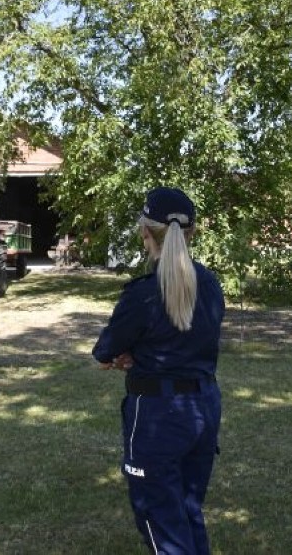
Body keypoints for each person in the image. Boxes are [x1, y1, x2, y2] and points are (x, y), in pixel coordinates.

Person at [93, 187, 225, 554]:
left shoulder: (143, 293)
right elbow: (192, 340)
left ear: (145, 233)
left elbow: (104, 353)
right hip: (203, 408)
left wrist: (129, 355)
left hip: (158, 418)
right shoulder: (211, 285)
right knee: (187, 509)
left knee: (161, 522)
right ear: (192, 234)